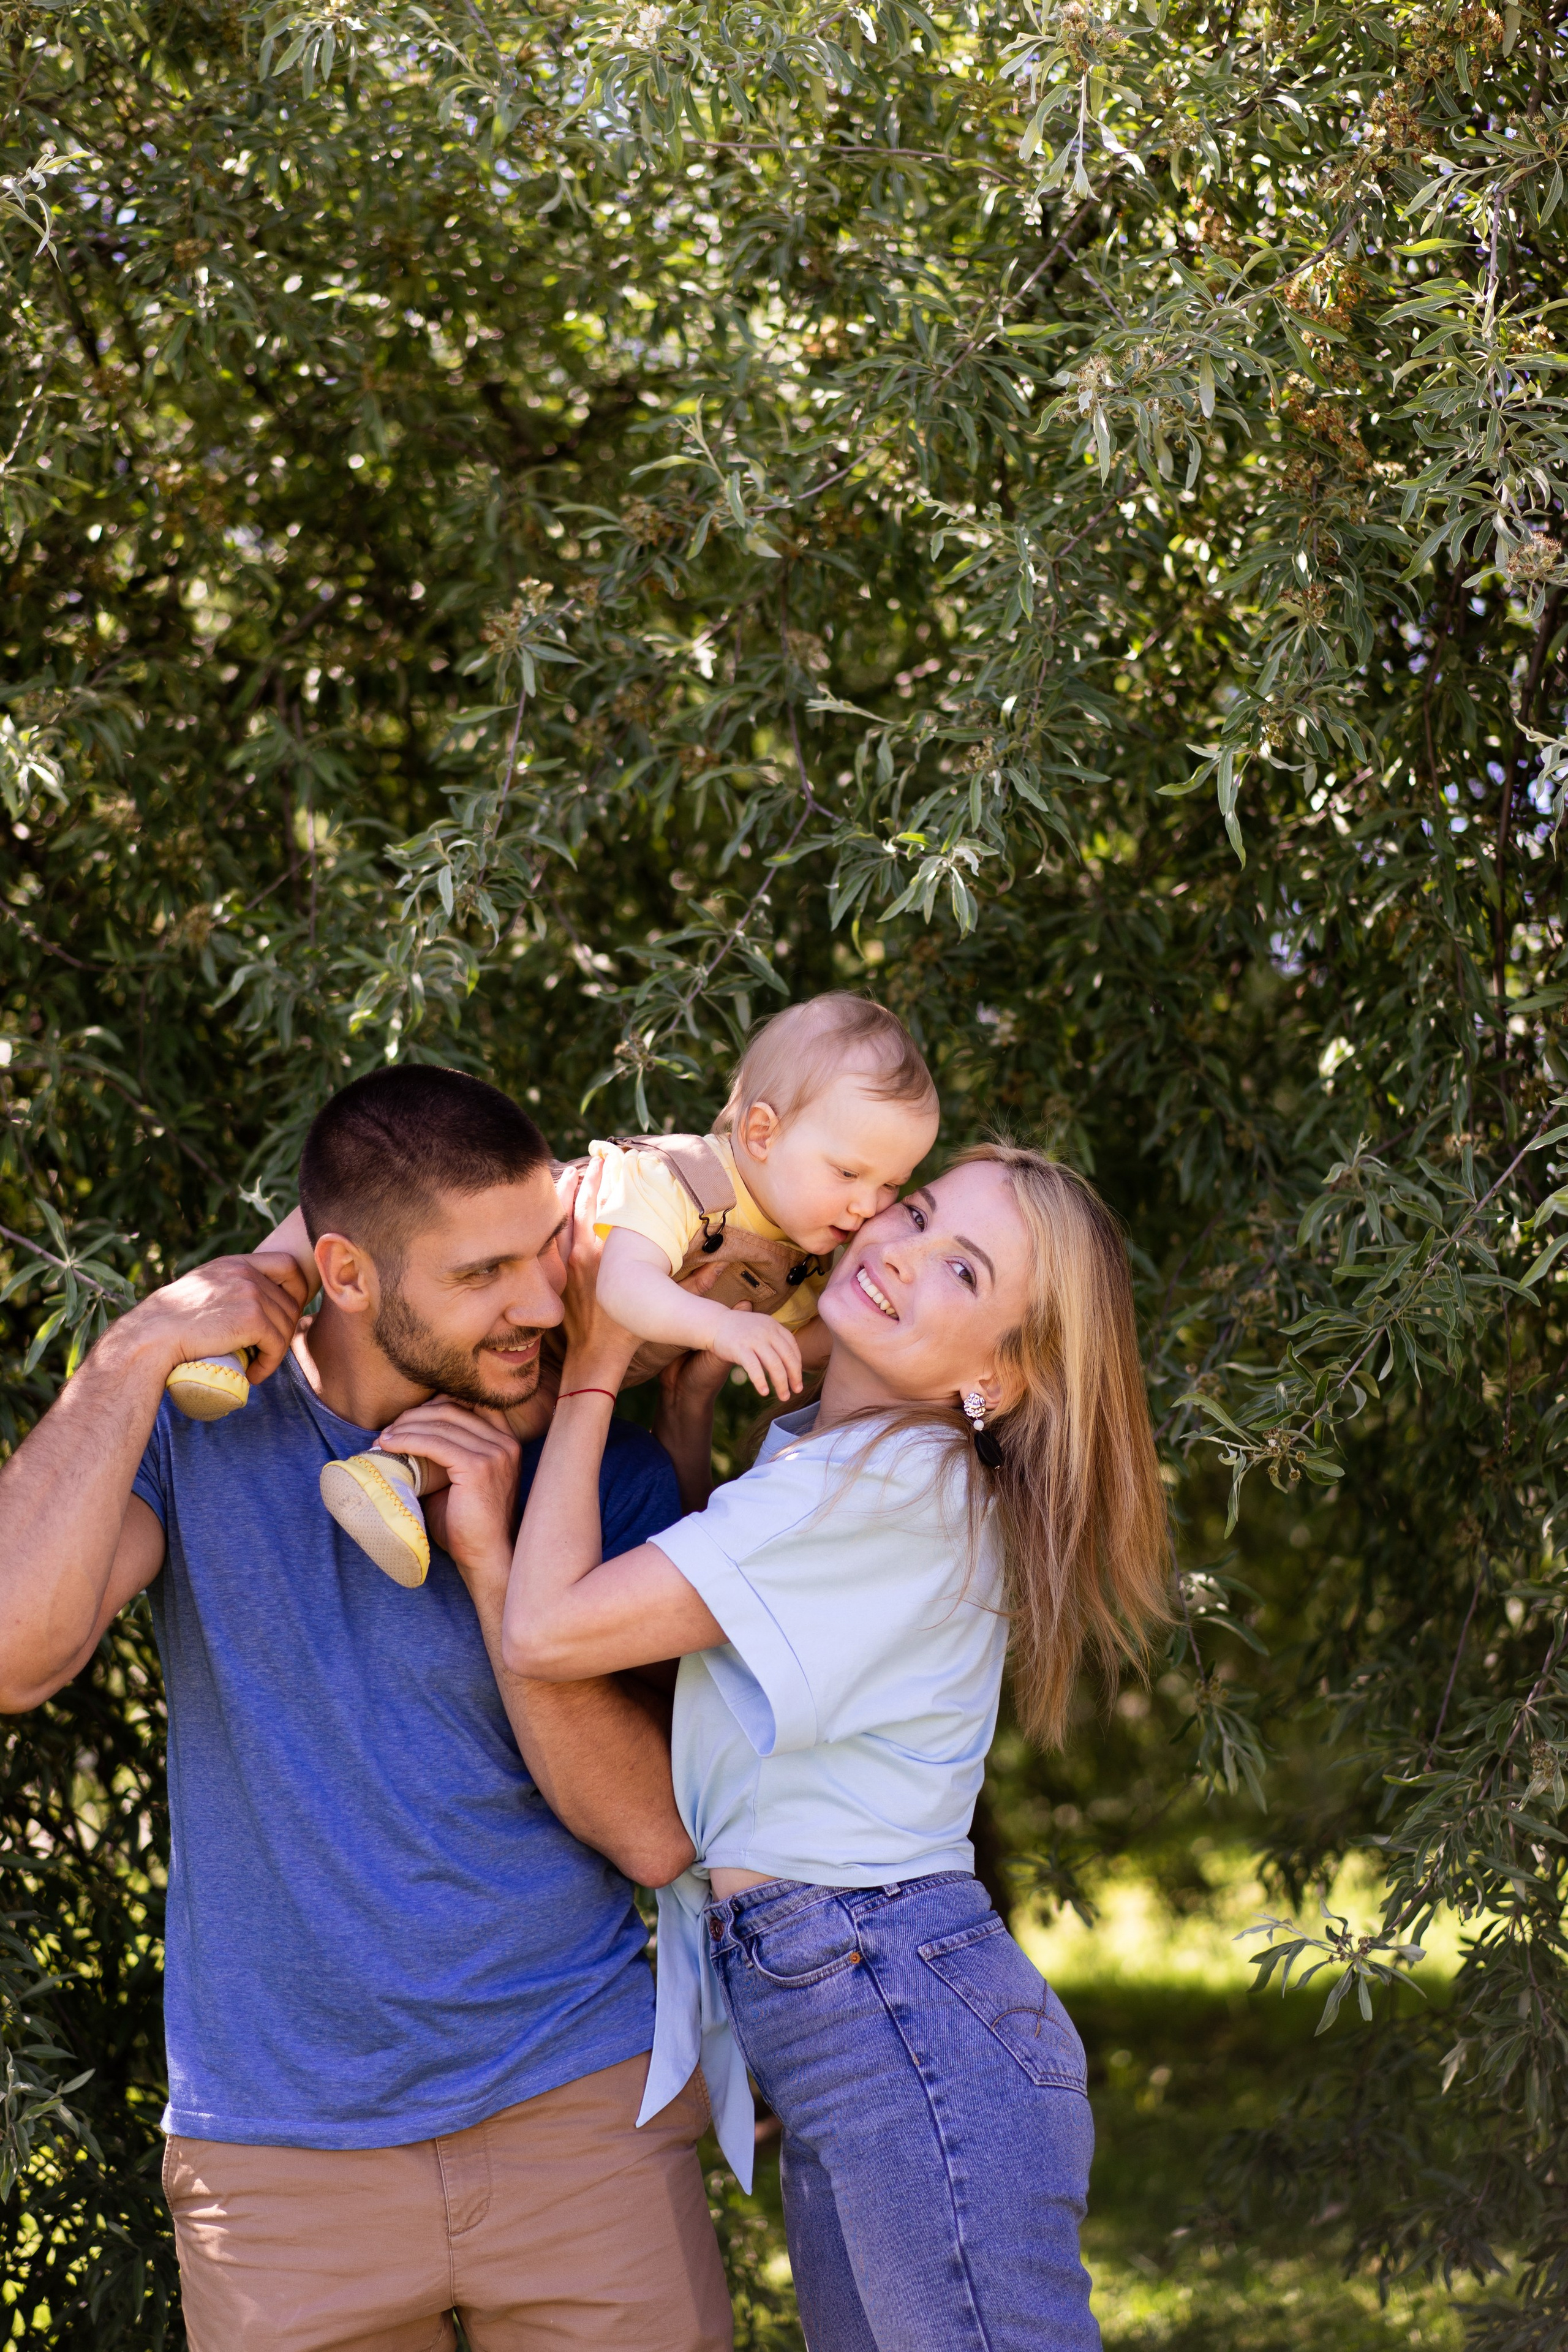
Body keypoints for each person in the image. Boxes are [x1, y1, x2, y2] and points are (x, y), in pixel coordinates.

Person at [0, 1065, 731, 2352]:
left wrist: (501, 1570)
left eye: (542, 1257)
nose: (537, 1303)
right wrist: (134, 1348)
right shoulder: (200, 1432)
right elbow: (15, 1656)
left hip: (575, 2112)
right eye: (481, 1276)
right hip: (282, 2169)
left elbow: (655, 1835)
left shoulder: (590, 1464)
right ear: (343, 1273)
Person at [503, 1141, 1171, 2352]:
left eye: (960, 1271)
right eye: (911, 1214)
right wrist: (692, 1405)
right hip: (867, 2012)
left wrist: (599, 1363)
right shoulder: (848, 1458)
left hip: (891, 2017)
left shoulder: (871, 1491)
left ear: (1003, 1375)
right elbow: (718, 1627)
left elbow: (547, 1630)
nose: (898, 1253)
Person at [168, 996, 941, 1590]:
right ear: (763, 1134)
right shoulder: (685, 1181)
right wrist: (720, 1329)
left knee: (515, 1420)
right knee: (355, 1205)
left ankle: (392, 1477)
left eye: (893, 1186)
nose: (869, 1205)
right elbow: (627, 1286)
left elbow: (821, 1343)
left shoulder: (802, 1262)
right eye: (849, 1174)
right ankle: (238, 1330)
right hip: (520, 1266)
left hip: (547, 1356)